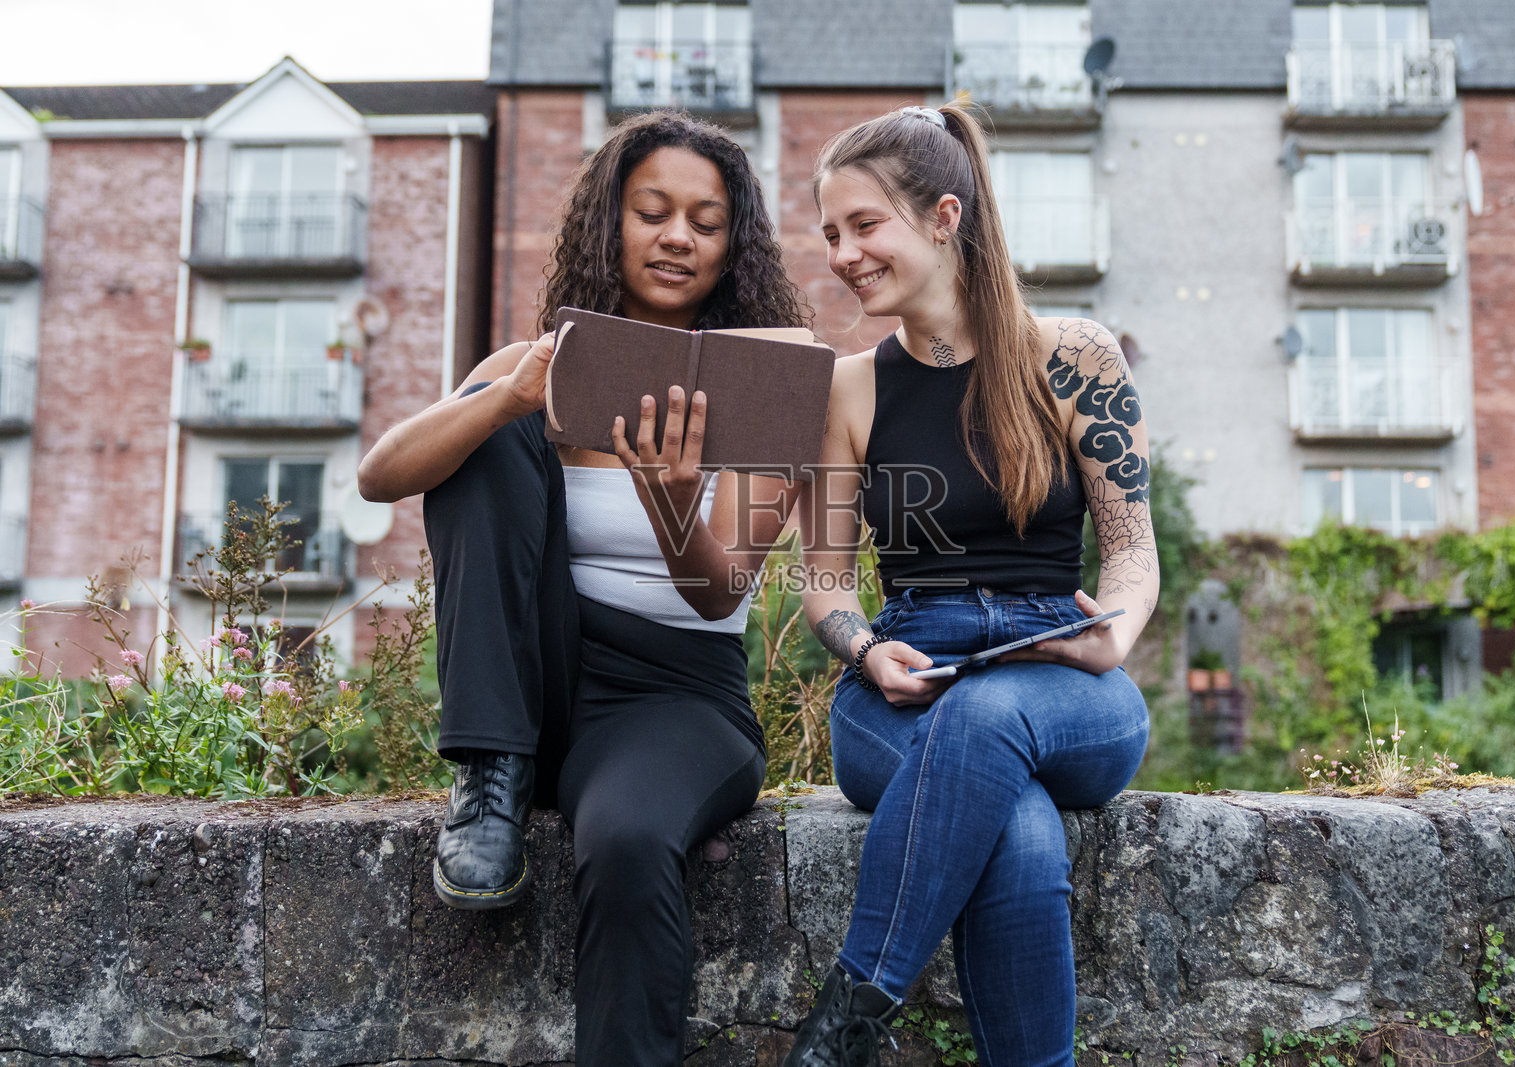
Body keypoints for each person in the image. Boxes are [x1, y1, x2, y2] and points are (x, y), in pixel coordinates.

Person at [357, 110, 811, 1066]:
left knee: (633, 841)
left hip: (675, 696)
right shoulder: (537, 367)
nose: (677, 235)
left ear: (733, 246)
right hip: (540, 681)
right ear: (613, 222)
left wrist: (677, 501)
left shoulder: (769, 385)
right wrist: (512, 395)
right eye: (652, 211)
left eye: (705, 219)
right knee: (484, 437)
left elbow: (720, 595)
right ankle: (489, 774)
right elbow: (381, 476)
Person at [787, 102, 1157, 1067]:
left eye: (865, 225)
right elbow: (821, 579)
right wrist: (864, 650)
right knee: (1024, 842)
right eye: (831, 233)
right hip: (900, 688)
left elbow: (1131, 549)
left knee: (991, 720)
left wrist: (1112, 632)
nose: (844, 253)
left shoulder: (1075, 358)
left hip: (1064, 678)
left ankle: (849, 1016)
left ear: (944, 217)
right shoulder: (849, 388)